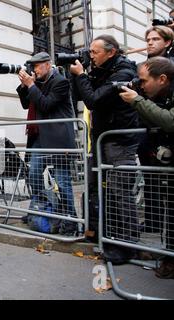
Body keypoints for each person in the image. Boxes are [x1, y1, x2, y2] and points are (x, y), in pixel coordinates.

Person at [70, 35, 140, 264]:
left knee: (120, 193)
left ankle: (127, 246)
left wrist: (82, 75)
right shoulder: (102, 70)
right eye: (90, 51)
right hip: (100, 140)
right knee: (100, 192)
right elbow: (79, 95)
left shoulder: (123, 72)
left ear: (111, 52)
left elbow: (94, 101)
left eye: (95, 52)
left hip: (119, 142)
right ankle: (105, 235)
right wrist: (77, 75)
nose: (91, 56)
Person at [119, 56, 174, 278]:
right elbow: (153, 121)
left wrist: (137, 101)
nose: (140, 85)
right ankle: (170, 257)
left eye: (143, 81)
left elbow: (169, 121)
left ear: (162, 79)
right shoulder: (160, 95)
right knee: (170, 212)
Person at [16, 52, 77, 236]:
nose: (34, 69)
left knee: (62, 181)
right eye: (32, 66)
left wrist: (31, 85)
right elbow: (26, 105)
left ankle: (71, 220)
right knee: (33, 174)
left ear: (48, 64)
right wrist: (23, 86)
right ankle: (41, 207)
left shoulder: (60, 82)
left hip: (58, 141)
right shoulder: (38, 83)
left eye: (37, 65)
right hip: (39, 139)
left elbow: (46, 104)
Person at [137, 26, 174, 234]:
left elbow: (167, 116)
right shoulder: (145, 66)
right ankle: (154, 223)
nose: (150, 43)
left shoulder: (169, 71)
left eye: (155, 39)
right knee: (151, 181)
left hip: (166, 135)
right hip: (149, 136)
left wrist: (138, 100)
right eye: (148, 39)